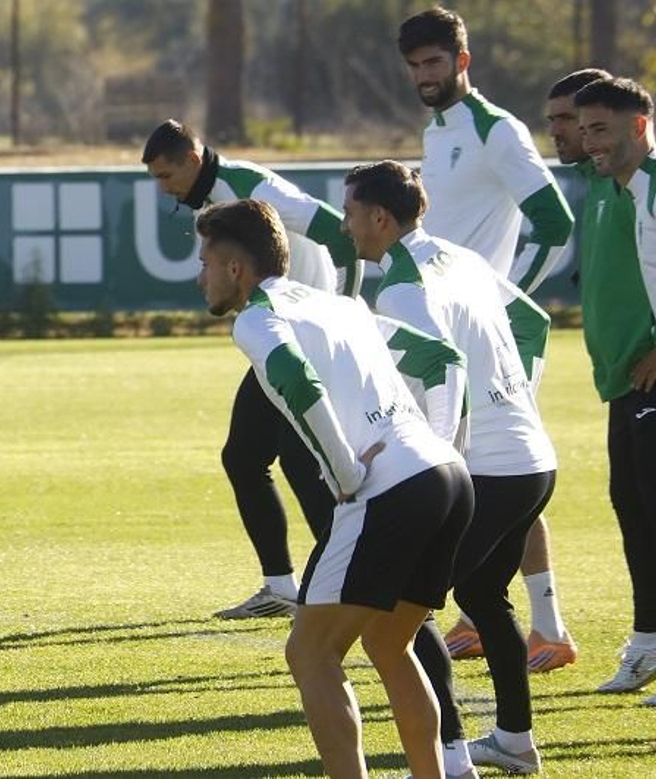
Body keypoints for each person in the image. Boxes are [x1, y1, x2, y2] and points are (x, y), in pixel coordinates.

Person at [198, 199, 473, 779]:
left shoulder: (256, 319)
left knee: (310, 653)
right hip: (446, 477)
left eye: (205, 262)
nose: (200, 275)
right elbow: (445, 359)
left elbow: (298, 380)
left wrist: (345, 473)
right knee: (389, 644)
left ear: (235, 270)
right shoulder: (339, 305)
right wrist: (444, 446)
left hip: (388, 488)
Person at [345, 160, 560, 775]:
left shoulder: (403, 289)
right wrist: (517, 400)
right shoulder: (460, 258)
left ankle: (451, 757)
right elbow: (533, 322)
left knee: (405, 613)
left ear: (380, 219)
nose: (346, 224)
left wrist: (446, 456)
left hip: (486, 468)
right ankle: (514, 742)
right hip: (532, 457)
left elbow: (444, 372)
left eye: (352, 212)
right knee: (483, 596)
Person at [398, 6, 579, 667]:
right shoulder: (438, 127)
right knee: (491, 478)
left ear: (462, 61)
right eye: (415, 65)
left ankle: (543, 629)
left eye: (435, 63)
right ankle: (497, 616)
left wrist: (503, 298)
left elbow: (554, 222)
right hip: (461, 331)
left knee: (501, 474)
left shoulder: (495, 130)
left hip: (493, 333)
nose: (425, 75)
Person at [142, 119, 360, 618]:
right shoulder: (215, 194)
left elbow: (340, 236)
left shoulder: (251, 187)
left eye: (165, 175)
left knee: (291, 461)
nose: (161, 188)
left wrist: (342, 313)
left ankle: (347, 578)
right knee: (248, 457)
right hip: (284, 336)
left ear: (194, 160)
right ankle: (288, 586)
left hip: (302, 339)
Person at [576, 76, 656, 705]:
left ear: (639, 125)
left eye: (600, 129)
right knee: (634, 505)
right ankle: (653, 638)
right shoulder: (624, 188)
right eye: (584, 132)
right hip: (629, 378)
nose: (589, 143)